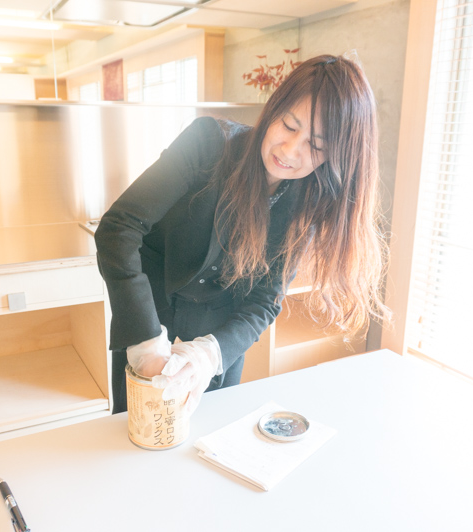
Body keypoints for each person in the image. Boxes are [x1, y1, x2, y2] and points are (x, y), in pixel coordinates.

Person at [95, 54, 391, 415]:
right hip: (149, 302)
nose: (289, 150)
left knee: (212, 429)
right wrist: (145, 338)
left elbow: (266, 299)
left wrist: (211, 353)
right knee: (137, 424)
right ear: (274, 109)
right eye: (289, 125)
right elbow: (119, 228)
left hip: (221, 328)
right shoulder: (209, 143)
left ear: (334, 156)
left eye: (315, 146)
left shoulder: (308, 201)